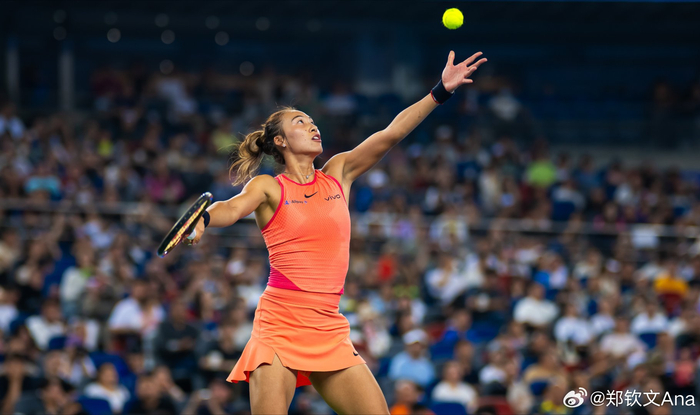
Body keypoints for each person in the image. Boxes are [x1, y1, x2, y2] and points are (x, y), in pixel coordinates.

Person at [185, 50, 487, 414]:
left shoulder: (338, 173)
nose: (313, 126)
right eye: (300, 122)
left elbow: (391, 134)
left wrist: (440, 91)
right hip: (280, 325)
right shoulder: (269, 187)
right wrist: (202, 218)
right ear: (280, 141)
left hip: (329, 326)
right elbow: (231, 208)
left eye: (313, 121)